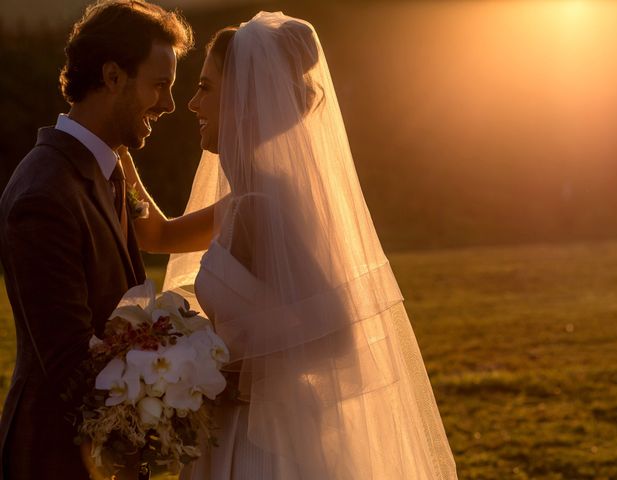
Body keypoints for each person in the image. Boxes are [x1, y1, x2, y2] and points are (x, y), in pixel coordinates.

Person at [125, 11, 458, 479]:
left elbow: (340, 333)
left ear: (243, 101)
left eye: (206, 88)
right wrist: (117, 145)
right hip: (228, 423)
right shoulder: (240, 201)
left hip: (263, 434)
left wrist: (240, 373)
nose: (193, 104)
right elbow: (156, 235)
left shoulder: (265, 207)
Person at [0, 1, 196, 478]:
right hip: (56, 457)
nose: (169, 104)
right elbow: (70, 365)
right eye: (160, 85)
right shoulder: (44, 193)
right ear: (112, 76)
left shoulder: (104, 170)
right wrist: (187, 368)